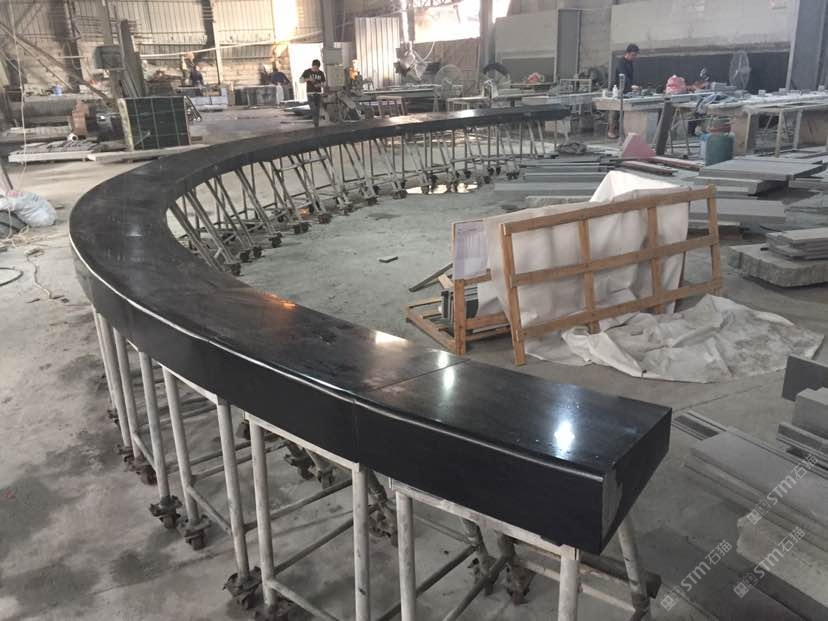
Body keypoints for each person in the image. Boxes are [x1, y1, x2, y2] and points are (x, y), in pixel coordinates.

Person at [608, 43, 639, 139]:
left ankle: (622, 132)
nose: (634, 57)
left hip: (626, 90)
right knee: (616, 111)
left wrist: (631, 87)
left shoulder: (630, 63)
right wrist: (631, 86)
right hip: (618, 89)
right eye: (633, 55)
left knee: (623, 112)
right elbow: (623, 76)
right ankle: (611, 131)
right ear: (627, 53)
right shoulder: (621, 63)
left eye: (635, 55)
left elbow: (630, 77)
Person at [300, 59, 326, 127]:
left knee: (317, 109)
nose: (316, 70)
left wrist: (319, 85)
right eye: (315, 68)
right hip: (310, 93)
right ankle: (315, 122)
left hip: (318, 94)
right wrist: (308, 79)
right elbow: (300, 80)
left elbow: (324, 83)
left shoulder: (321, 73)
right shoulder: (307, 72)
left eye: (318, 68)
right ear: (313, 66)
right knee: (313, 108)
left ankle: (316, 124)